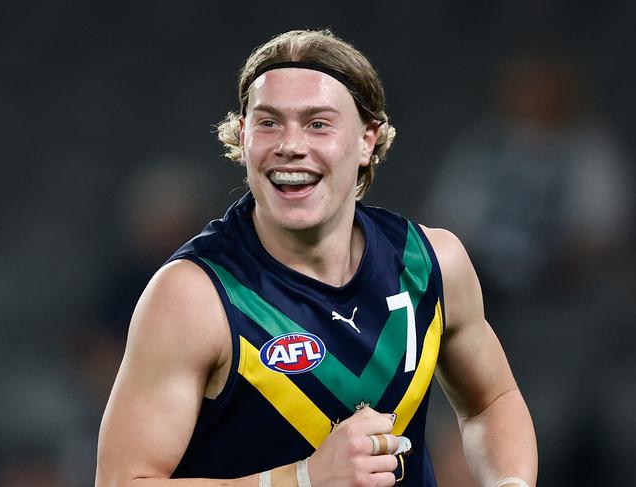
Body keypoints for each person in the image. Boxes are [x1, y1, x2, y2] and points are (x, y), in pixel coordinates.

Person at [96, 30, 537, 487]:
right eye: (268, 123)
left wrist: (511, 482)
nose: (290, 144)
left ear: (368, 140)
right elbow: (122, 481)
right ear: (243, 137)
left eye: (317, 123)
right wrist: (303, 480)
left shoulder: (431, 263)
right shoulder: (194, 295)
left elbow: (492, 401)